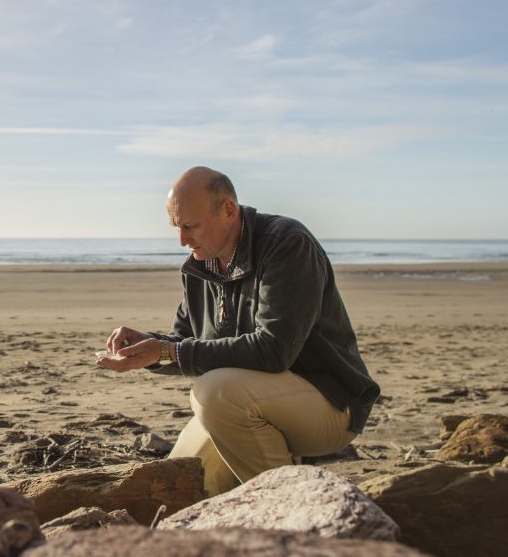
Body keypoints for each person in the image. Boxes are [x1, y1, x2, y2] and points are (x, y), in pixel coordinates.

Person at [97, 167, 379, 497]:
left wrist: (169, 351)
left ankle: (287, 505)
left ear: (229, 210)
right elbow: (185, 342)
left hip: (330, 404)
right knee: (183, 486)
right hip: (249, 404)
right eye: (177, 227)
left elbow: (274, 350)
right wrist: (149, 349)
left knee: (213, 392)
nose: (182, 240)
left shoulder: (287, 244)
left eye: (190, 226)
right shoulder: (201, 264)